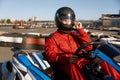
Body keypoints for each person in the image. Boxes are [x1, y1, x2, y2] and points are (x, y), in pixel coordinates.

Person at [44, 7, 93, 80]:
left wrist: (81, 30)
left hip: (81, 61)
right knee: (72, 67)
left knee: (101, 61)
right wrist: (67, 59)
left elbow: (89, 47)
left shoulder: (75, 34)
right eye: (65, 20)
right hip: (66, 64)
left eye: (70, 20)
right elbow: (51, 56)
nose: (68, 22)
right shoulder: (52, 38)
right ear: (59, 20)